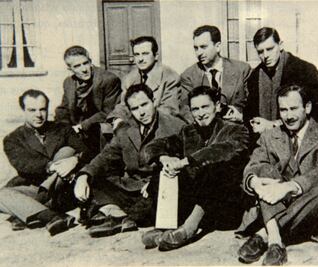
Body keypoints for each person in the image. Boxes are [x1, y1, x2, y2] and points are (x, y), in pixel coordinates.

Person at [238, 85, 318, 265]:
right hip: (277, 202)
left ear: (307, 107)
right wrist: (254, 182)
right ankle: (275, 241)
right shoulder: (270, 136)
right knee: (264, 172)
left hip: (314, 206)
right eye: (283, 110)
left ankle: (263, 235)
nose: (288, 116)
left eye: (293, 109)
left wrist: (288, 187)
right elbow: (254, 165)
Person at [141, 86, 250, 251]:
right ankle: (165, 226)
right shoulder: (188, 131)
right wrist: (166, 158)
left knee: (213, 169)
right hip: (196, 198)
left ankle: (189, 229)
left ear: (217, 106)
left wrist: (185, 161)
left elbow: (221, 150)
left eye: (205, 107)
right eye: (195, 109)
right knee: (164, 169)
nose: (200, 113)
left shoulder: (236, 130)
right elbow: (153, 147)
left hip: (225, 205)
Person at [73, 84, 185, 238]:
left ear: (154, 101)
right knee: (95, 178)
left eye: (145, 104)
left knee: (162, 194)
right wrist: (83, 176)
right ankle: (121, 217)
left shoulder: (175, 126)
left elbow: (184, 163)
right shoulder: (125, 129)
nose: (141, 112)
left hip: (158, 189)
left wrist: (155, 182)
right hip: (133, 188)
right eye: (135, 108)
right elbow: (105, 156)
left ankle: (113, 213)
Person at [1, 89, 90, 236]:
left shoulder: (62, 129)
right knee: (2, 194)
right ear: (23, 110)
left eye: (42, 109)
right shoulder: (13, 138)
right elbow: (23, 164)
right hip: (36, 188)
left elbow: (86, 152)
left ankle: (29, 213)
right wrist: (50, 166)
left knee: (67, 151)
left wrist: (75, 160)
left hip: (64, 186)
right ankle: (51, 216)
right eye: (32, 110)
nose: (38, 115)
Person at [245, 27, 318, 134]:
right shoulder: (254, 76)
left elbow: (315, 111)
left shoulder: (305, 71)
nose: (265, 56)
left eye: (270, 49)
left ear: (280, 45)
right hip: (264, 140)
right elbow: (250, 112)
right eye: (260, 52)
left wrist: (274, 124)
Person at [55, 45, 122, 156]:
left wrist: (82, 126)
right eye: (77, 66)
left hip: (98, 132)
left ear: (90, 62)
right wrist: (63, 128)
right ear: (70, 69)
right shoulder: (68, 82)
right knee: (60, 155)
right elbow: (64, 108)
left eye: (85, 63)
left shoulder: (108, 79)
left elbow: (108, 112)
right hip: (75, 131)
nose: (84, 69)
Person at [179, 25, 251, 123]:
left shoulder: (242, 70)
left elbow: (253, 104)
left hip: (238, 128)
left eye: (203, 47)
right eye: (196, 48)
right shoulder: (189, 76)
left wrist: (241, 116)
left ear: (218, 47)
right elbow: (185, 110)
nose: (199, 53)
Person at [108, 36, 181, 123]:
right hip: (135, 122)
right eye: (137, 54)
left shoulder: (170, 77)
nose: (140, 59)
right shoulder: (129, 78)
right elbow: (123, 106)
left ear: (156, 56)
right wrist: (118, 118)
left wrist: (134, 122)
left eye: (145, 53)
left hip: (159, 124)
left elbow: (169, 110)